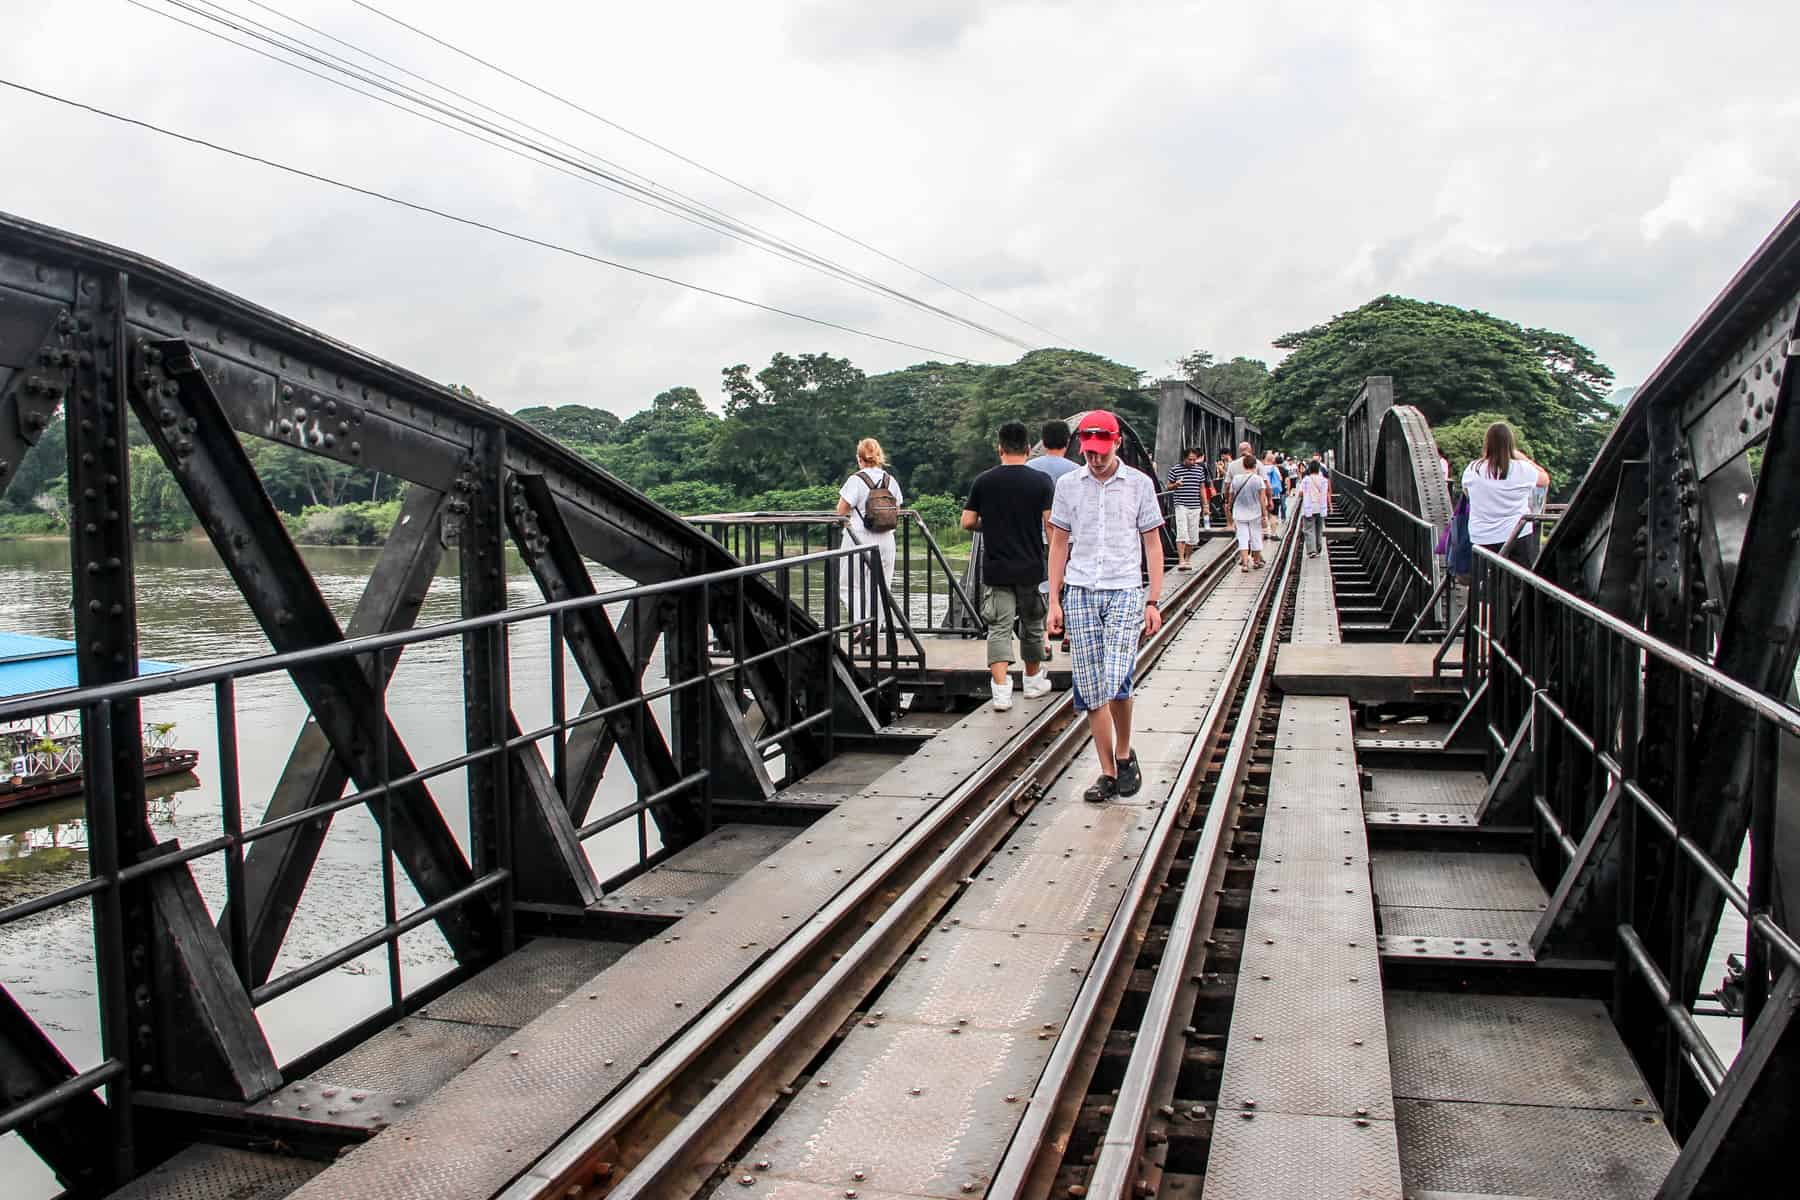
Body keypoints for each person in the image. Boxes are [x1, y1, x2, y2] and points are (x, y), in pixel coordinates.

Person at [1046, 410, 1165, 804]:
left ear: (1117, 443)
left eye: (1101, 451)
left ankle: (1125, 750)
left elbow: (1152, 543)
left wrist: (1153, 599)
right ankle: (1108, 773)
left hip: (1125, 589)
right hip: (1080, 589)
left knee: (1117, 679)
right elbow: (1059, 544)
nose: (1094, 459)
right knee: (1091, 689)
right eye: (1088, 452)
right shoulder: (1067, 485)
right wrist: (1054, 601)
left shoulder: (1139, 484)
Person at [963, 421, 1056, 710]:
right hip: (1031, 566)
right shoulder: (1041, 481)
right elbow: (1051, 526)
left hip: (997, 568)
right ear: (1029, 449)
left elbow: (967, 522)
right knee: (1032, 627)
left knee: (999, 629)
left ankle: (1001, 692)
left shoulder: (984, 481)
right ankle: (1031, 683)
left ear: (999, 448)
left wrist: (988, 525)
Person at [835, 438, 903, 644]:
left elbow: (841, 510)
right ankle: (875, 626)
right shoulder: (890, 480)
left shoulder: (856, 480)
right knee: (881, 584)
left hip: (858, 537)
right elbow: (897, 509)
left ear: (859, 458)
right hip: (886, 539)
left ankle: (862, 623)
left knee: (849, 584)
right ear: (880, 456)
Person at [1461, 422, 1549, 564]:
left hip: (1482, 536)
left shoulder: (1473, 469)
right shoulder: (1522, 469)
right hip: (1517, 535)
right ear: (1510, 443)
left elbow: (1468, 494)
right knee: (1518, 582)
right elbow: (1544, 479)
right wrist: (1521, 457)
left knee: (1485, 580)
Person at [1164, 446, 1211, 572]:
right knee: (1182, 532)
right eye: (1190, 459)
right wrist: (1176, 485)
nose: (1192, 462)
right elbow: (1168, 486)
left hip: (1195, 506)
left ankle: (1188, 559)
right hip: (1181, 505)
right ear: (1184, 458)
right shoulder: (1175, 470)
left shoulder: (1199, 470)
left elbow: (1201, 488)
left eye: (1194, 460)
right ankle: (1181, 560)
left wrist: (1205, 505)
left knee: (1192, 535)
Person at [1229, 450, 1269, 571]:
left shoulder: (1236, 479)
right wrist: (1264, 515)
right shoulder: (1258, 479)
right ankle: (1256, 561)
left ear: (1243, 465)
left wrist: (1230, 510)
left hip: (1239, 513)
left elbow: (1231, 496)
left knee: (1242, 537)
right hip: (1255, 512)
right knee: (1256, 536)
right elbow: (1262, 499)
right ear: (1255, 466)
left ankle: (1245, 563)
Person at [1298, 459, 1331, 558]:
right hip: (1321, 507)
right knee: (1319, 527)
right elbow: (1326, 493)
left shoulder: (1306, 480)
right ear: (1318, 469)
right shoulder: (1324, 480)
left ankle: (1312, 550)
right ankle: (1318, 546)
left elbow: (1300, 493)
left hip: (1309, 507)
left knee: (1309, 529)